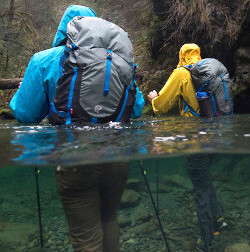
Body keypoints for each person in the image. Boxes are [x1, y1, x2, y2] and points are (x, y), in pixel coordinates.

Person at [9, 5, 145, 252]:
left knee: (86, 237)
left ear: (64, 28)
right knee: (109, 219)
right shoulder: (118, 61)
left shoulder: (44, 59)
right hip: (118, 157)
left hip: (74, 160)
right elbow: (136, 109)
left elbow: (24, 114)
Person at [147, 43, 201, 116]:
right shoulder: (207, 70)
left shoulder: (181, 73)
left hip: (192, 123)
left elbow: (162, 106)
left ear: (181, 55)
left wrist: (154, 99)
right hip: (211, 120)